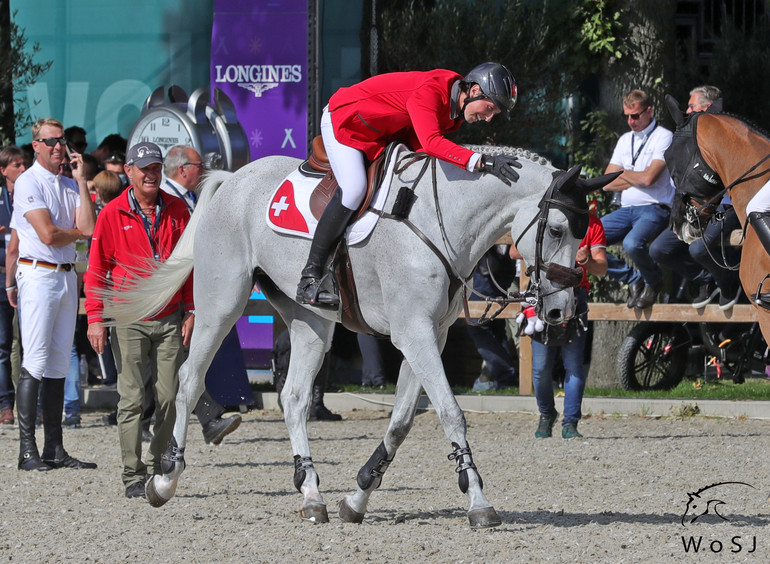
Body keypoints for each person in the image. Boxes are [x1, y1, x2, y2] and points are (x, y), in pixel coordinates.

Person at [296, 62, 521, 309]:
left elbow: (422, 145)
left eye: (493, 115)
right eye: (489, 109)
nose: (488, 118)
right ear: (476, 91)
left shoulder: (452, 111)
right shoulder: (432, 92)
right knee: (354, 189)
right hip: (346, 122)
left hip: (379, 134)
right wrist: (481, 160)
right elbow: (432, 142)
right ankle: (310, 277)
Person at [84, 141, 194, 498]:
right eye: (144, 168)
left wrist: (191, 310)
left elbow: (189, 265)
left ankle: (157, 458)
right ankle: (132, 475)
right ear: (128, 172)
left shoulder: (178, 210)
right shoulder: (112, 213)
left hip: (169, 316)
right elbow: (96, 269)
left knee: (169, 396)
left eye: (156, 168)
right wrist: (95, 319)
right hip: (129, 315)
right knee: (130, 398)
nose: (151, 174)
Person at [10, 118, 97, 471]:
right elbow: (47, 234)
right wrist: (74, 231)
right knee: (36, 359)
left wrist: (79, 181)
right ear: (36, 145)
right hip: (39, 273)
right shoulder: (28, 181)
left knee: (60, 360)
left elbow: (88, 229)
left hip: (64, 274)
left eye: (61, 141)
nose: (58, 147)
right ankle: (26, 448)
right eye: (50, 142)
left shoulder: (67, 184)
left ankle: (54, 447)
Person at [160, 144, 242, 443]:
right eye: (199, 165)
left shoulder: (189, 200)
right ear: (182, 169)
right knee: (168, 354)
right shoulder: (167, 201)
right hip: (168, 290)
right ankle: (206, 419)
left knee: (175, 354)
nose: (204, 170)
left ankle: (205, 419)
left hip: (187, 290)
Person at [649, 85, 743, 310]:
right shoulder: (691, 136)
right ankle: (705, 278)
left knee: (698, 249)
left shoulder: (728, 133)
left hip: (726, 207)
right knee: (659, 249)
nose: (687, 111)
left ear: (707, 108)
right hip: (695, 205)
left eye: (691, 106)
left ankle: (728, 283)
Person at [517, 213, 607, 439]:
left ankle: (570, 423)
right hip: (544, 293)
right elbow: (513, 251)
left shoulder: (592, 222)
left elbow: (601, 269)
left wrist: (586, 261)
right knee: (539, 369)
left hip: (576, 295)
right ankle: (547, 414)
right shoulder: (542, 218)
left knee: (574, 364)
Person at [601, 89, 675, 310]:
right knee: (585, 239)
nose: (630, 121)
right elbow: (605, 182)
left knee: (632, 243)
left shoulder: (664, 136)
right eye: (627, 116)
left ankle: (653, 281)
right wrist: (638, 176)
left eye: (635, 115)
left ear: (649, 111)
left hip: (654, 208)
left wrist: (624, 175)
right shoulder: (625, 140)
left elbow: (649, 178)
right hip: (627, 209)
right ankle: (633, 278)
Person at [466, 246, 518, 391]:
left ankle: (505, 376)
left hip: (489, 273)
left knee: (477, 324)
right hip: (496, 271)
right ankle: (506, 380)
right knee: (495, 328)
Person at [0, 146, 25, 425]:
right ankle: (6, 403)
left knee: (27, 342)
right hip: (1, 278)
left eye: (23, 164)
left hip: (27, 275)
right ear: (3, 171)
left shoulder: (33, 194)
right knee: (3, 344)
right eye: (16, 165)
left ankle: (30, 401)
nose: (22, 168)